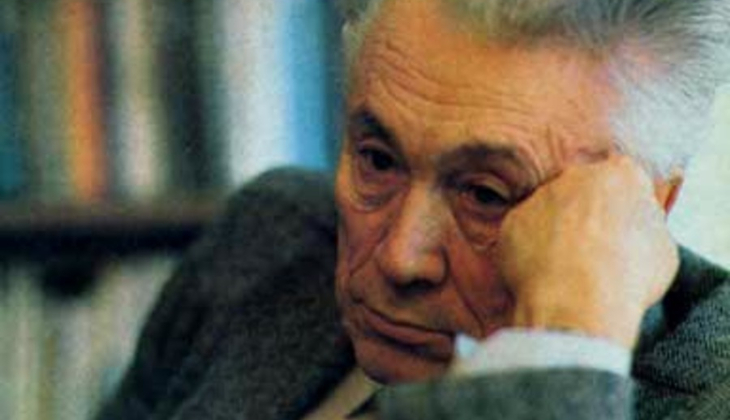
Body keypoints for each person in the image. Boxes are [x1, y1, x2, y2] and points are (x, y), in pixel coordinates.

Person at [97, 0, 730, 419]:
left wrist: (564, 352)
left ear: (644, 206)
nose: (400, 258)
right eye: (378, 160)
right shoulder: (272, 240)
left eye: (485, 195)